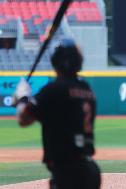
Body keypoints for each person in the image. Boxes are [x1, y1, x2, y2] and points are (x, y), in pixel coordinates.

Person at [14, 38, 101, 189]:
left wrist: (22, 97)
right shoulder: (87, 89)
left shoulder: (54, 90)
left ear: (56, 62)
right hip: (90, 171)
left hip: (66, 172)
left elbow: (23, 119)